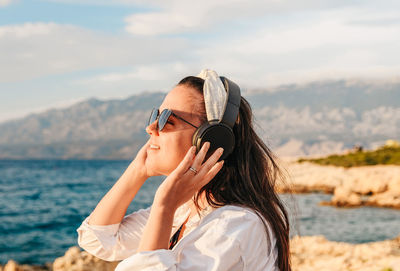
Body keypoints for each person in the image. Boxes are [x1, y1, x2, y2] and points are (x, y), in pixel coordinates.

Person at [77, 69, 291, 271]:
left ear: (210, 139)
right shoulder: (188, 210)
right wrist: (138, 170)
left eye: (167, 121)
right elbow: (97, 239)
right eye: (155, 116)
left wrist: (164, 206)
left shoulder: (236, 226)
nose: (151, 128)